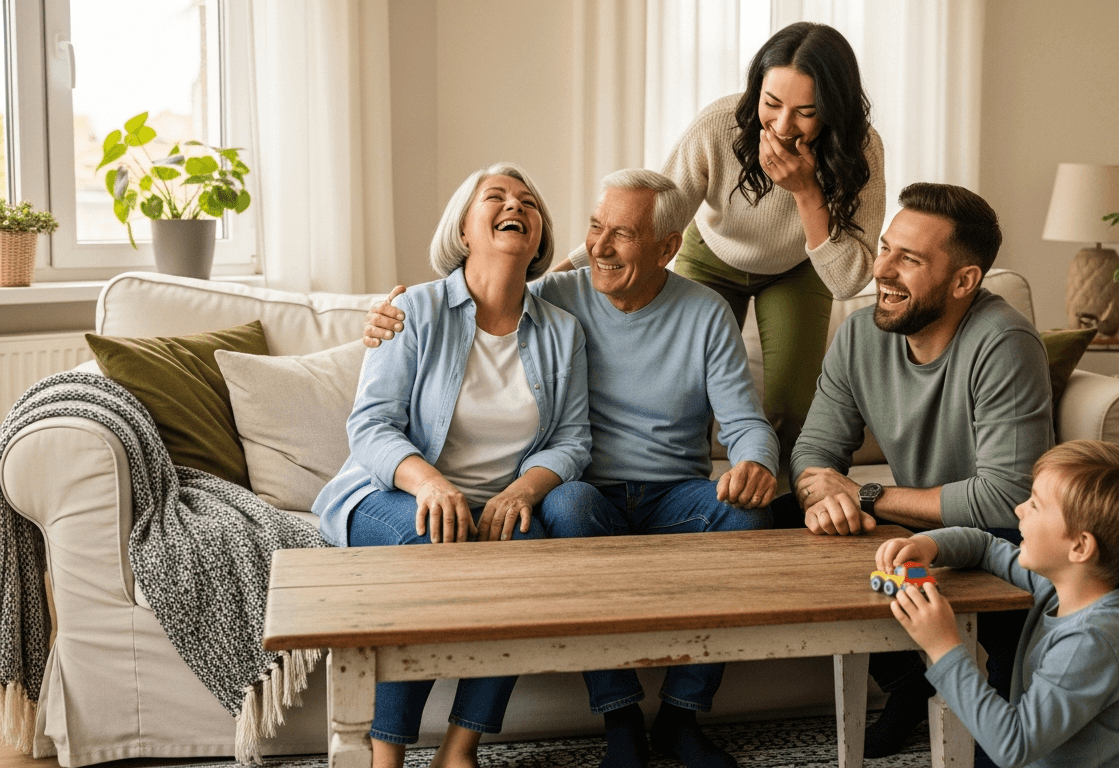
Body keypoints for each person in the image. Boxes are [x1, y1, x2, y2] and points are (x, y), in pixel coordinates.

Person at [364, 169, 779, 768]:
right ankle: (621, 720)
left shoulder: (705, 313)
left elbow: (744, 422)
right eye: (595, 229)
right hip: (585, 493)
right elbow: (482, 298)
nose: (601, 249)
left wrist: (756, 462)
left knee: (747, 514)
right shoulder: (555, 298)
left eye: (624, 236)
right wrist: (378, 326)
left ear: (668, 247)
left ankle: (683, 718)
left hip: (674, 494)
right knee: (565, 506)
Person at [314, 162, 592, 768]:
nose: (514, 204)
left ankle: (459, 750)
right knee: (432, 541)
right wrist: (430, 484)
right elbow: (369, 425)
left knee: (534, 553)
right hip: (390, 493)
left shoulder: (562, 330)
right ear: (464, 230)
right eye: (494, 196)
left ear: (540, 237)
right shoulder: (412, 310)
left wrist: (522, 491)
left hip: (494, 503)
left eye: (528, 201)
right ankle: (385, 754)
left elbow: (571, 441)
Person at [786, 182, 1055, 759]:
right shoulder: (859, 334)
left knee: (1008, 748)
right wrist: (822, 492)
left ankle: (1002, 712)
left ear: (964, 281)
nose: (882, 269)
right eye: (885, 249)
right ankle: (909, 689)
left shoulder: (1003, 342)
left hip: (1002, 537)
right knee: (799, 524)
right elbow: (812, 452)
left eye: (908, 259)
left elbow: (1007, 497)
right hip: (916, 530)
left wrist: (865, 495)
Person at [555, 22, 885, 473]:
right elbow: (651, 215)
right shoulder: (718, 126)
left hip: (799, 266)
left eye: (805, 112)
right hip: (710, 255)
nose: (783, 126)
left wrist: (807, 192)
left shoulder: (861, 149)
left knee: (792, 404)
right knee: (686, 390)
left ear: (834, 109)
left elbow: (848, 280)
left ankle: (784, 509)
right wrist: (567, 265)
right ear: (756, 92)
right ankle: (688, 490)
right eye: (771, 104)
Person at [879, 440, 1119, 767]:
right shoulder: (1065, 587)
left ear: (1080, 547)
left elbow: (1014, 745)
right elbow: (986, 546)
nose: (1019, 509)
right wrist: (928, 545)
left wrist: (943, 647)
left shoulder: (1092, 641)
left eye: (1035, 505)